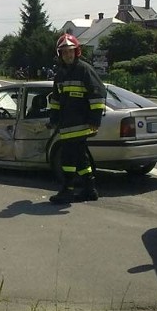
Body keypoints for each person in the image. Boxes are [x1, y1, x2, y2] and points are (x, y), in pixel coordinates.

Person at [48, 33, 106, 204]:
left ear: (77, 51)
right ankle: (90, 189)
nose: (68, 55)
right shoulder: (60, 74)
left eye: (70, 51)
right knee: (80, 158)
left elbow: (98, 95)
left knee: (68, 158)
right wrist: (53, 119)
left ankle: (67, 190)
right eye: (64, 52)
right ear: (60, 54)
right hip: (67, 124)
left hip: (79, 123)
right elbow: (56, 101)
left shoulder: (84, 70)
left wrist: (95, 121)